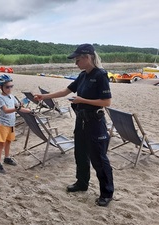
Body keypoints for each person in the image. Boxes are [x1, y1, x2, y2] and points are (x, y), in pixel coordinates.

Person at [34, 44, 114, 207]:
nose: (75, 63)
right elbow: (66, 91)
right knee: (80, 153)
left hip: (95, 122)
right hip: (81, 120)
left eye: (78, 60)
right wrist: (44, 96)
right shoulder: (83, 75)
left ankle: (106, 193)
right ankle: (82, 183)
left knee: (99, 158)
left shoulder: (100, 75)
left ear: (87, 57)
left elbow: (106, 102)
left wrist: (82, 100)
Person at [0, 74, 31, 174]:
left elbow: (18, 106)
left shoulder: (12, 96)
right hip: (3, 125)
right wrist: (17, 108)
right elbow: (6, 110)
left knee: (9, 142)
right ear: (0, 87)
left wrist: (27, 110)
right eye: (7, 87)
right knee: (1, 144)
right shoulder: (0, 98)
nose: (9, 88)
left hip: (11, 124)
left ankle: (6, 157)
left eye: (11, 86)